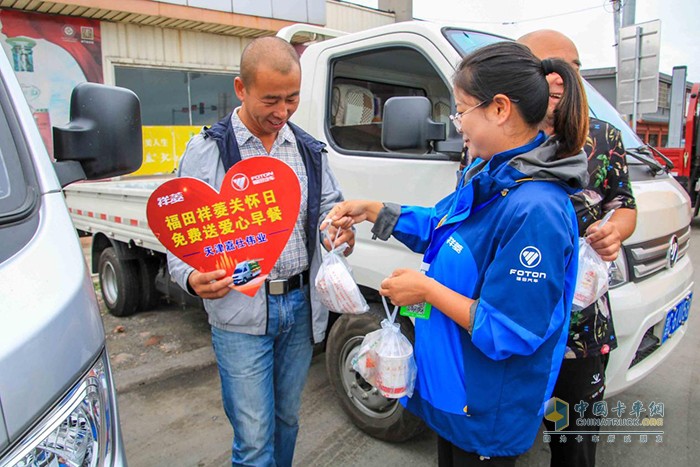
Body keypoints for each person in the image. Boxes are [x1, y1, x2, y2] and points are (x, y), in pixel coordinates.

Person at [323, 41, 589, 466]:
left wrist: (427, 290)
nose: (457, 122)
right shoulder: (490, 174)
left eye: (461, 109)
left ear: (500, 109)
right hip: (453, 393)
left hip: (484, 408)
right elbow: (442, 226)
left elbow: (510, 330)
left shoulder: (535, 208)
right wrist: (371, 210)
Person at [167, 37, 354, 466]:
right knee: (253, 437)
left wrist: (338, 233)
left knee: (287, 419)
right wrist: (191, 279)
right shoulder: (208, 150)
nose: (282, 112)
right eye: (271, 99)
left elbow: (328, 210)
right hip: (239, 310)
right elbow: (182, 231)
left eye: (292, 99)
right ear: (241, 88)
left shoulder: (307, 150)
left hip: (300, 304)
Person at [518, 30, 638, 467]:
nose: (559, 78)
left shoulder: (602, 138)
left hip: (580, 328)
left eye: (571, 67)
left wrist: (615, 230)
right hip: (509, 322)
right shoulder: (496, 136)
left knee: (573, 440)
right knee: (499, 435)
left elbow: (623, 203)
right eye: (545, 66)